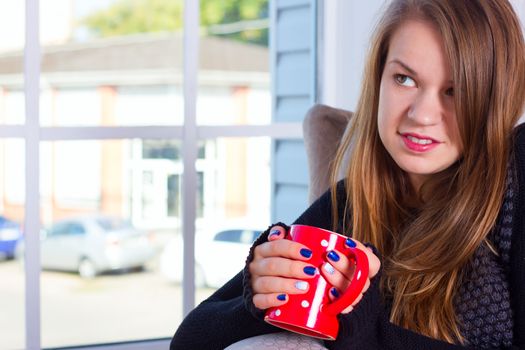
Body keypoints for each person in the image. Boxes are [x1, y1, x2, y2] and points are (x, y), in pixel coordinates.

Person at [170, 0, 525, 348]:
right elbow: (189, 339)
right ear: (378, 79)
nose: (422, 115)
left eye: (455, 90)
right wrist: (262, 297)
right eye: (404, 79)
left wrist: (365, 333)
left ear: (495, 97)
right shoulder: (352, 202)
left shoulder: (516, 174)